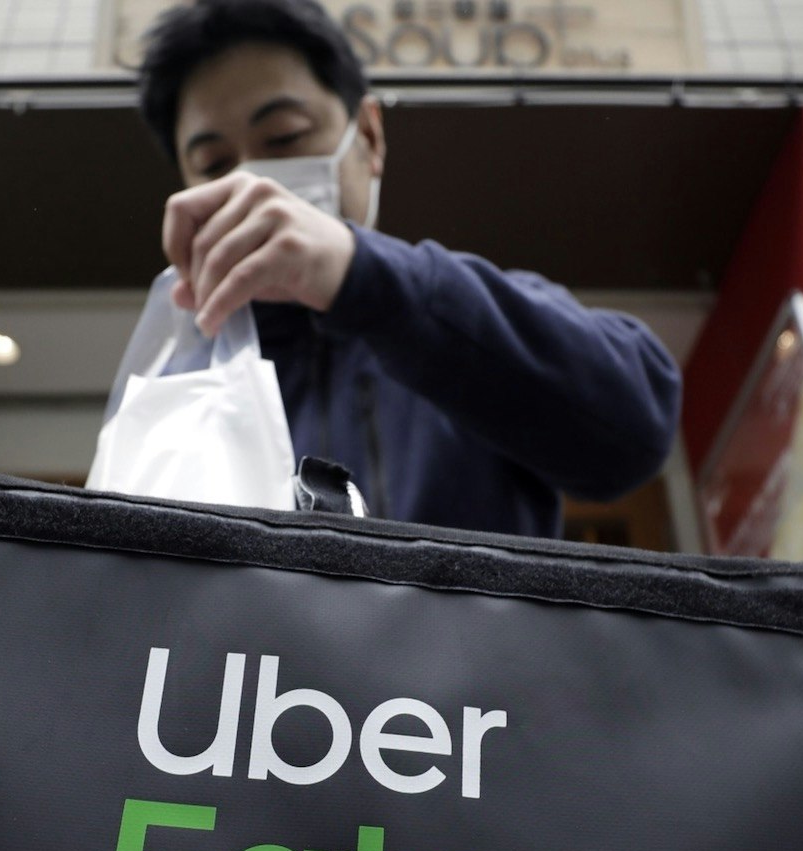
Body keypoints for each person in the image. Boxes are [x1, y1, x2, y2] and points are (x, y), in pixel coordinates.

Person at [134, 0, 681, 538]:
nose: (253, 182)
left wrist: (361, 277)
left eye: (285, 137)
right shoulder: (185, 392)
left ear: (368, 137)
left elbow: (635, 430)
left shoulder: (470, 322)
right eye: (213, 165)